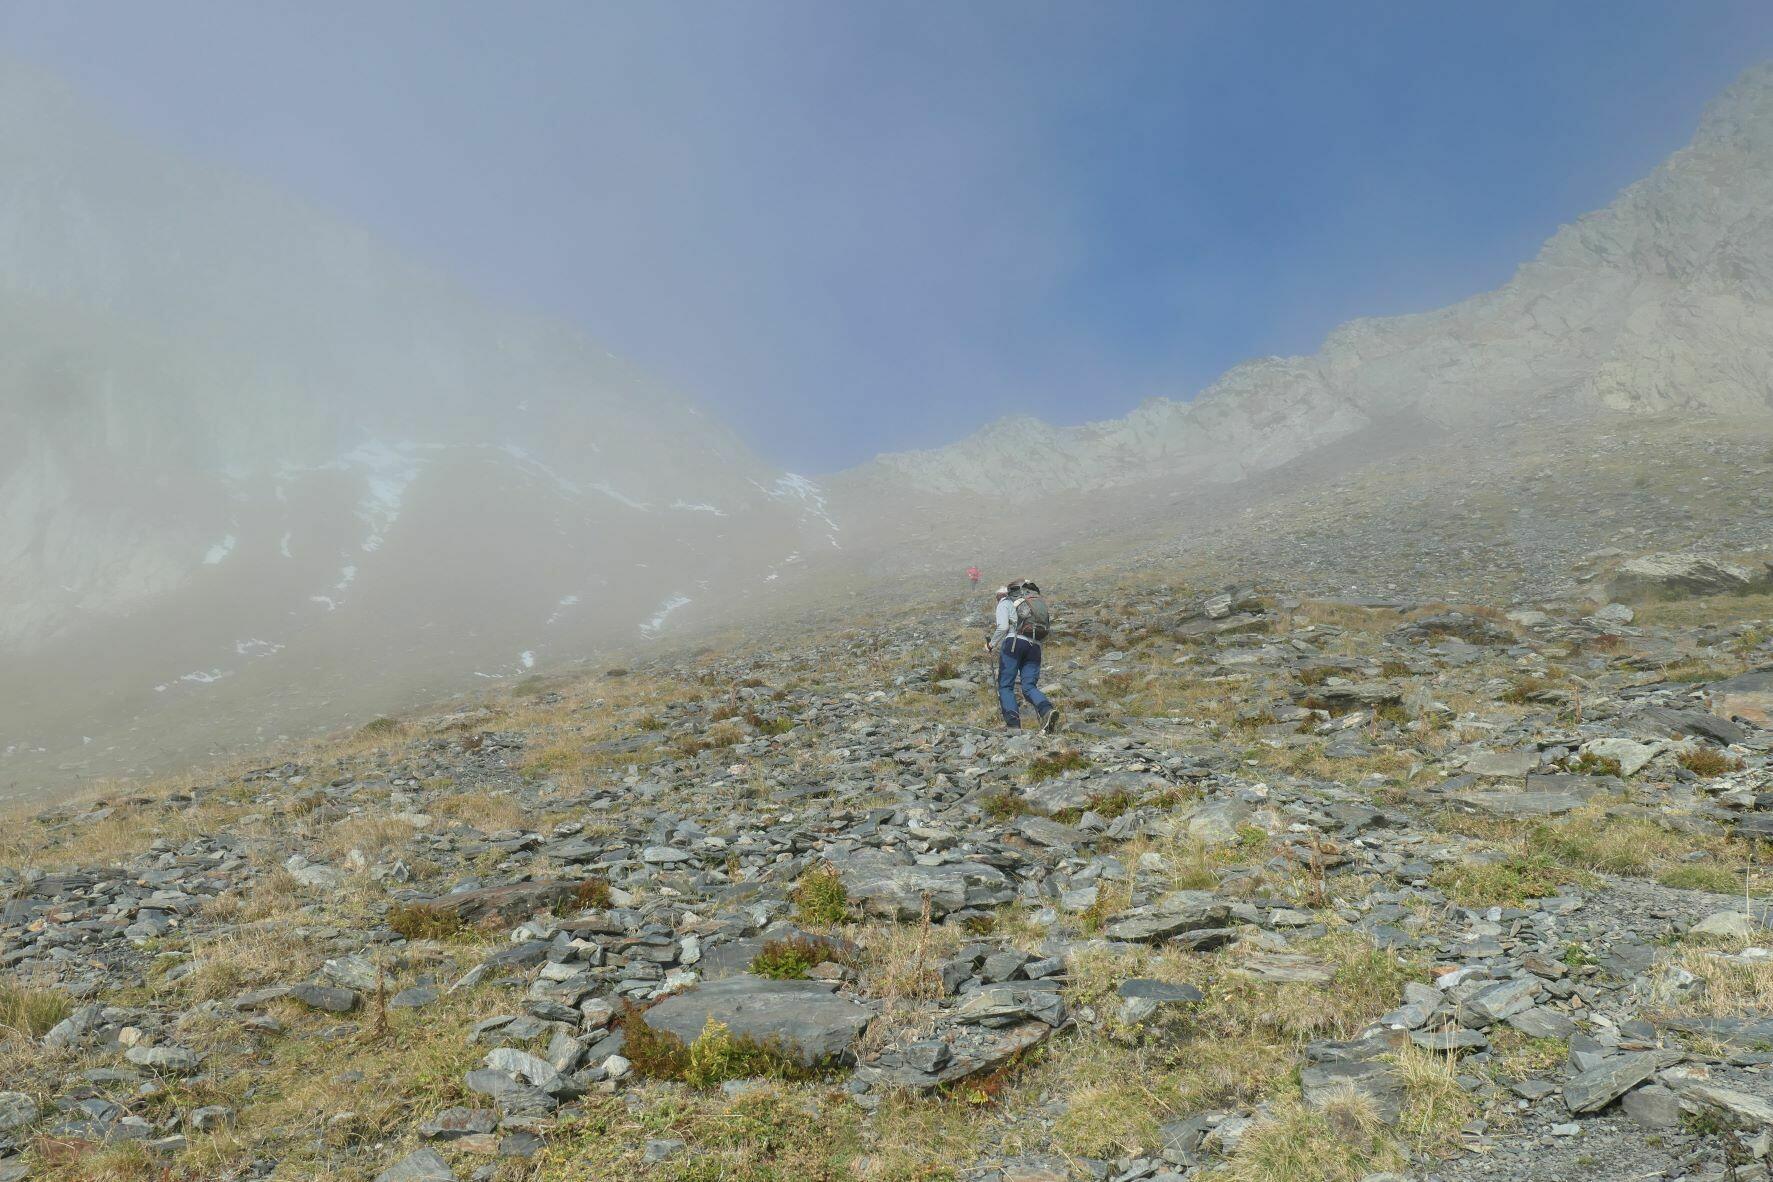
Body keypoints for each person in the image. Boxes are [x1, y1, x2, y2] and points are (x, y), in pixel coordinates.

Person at [987, 583, 1059, 732]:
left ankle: (1013, 725)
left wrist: (991, 645)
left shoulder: (1005, 602)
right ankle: (1046, 710)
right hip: (1035, 646)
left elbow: (1003, 627)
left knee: (1006, 685)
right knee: (1029, 687)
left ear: (1000, 596)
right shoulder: (1032, 603)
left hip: (1014, 644)